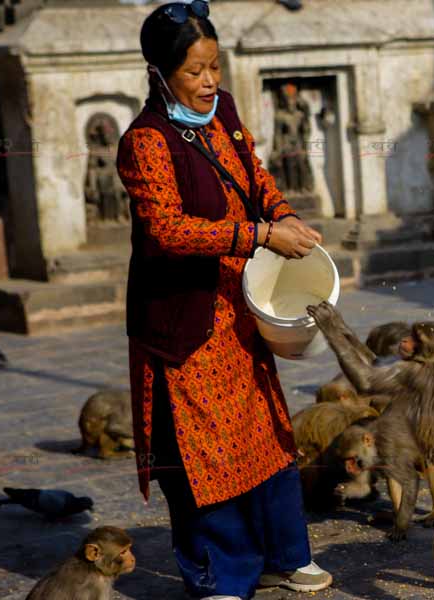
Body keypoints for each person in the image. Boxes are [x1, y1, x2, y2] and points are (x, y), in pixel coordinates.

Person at [115, 2, 327, 599]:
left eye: (214, 67)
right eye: (194, 72)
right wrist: (261, 234)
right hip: (185, 321)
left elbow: (253, 178)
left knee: (266, 434)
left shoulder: (224, 113)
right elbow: (167, 230)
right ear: (160, 74)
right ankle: (222, 576)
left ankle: (286, 555)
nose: (209, 82)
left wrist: (285, 218)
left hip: (240, 307)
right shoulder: (146, 142)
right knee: (204, 456)